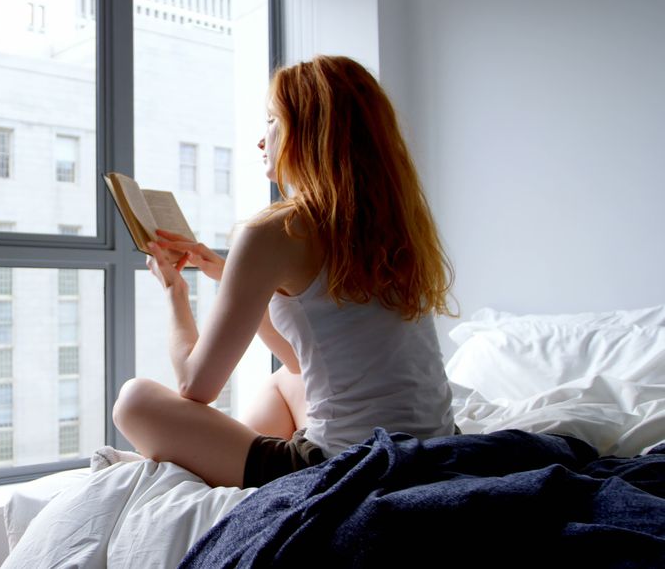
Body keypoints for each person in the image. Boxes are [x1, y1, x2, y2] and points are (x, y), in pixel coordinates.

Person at [112, 55, 457, 489]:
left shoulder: (277, 230)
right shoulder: (395, 223)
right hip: (435, 446)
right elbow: (300, 361)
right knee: (280, 382)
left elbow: (195, 386)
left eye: (273, 120)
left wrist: (174, 292)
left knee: (133, 400)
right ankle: (214, 459)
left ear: (310, 133)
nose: (262, 140)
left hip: (349, 466)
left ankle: (206, 465)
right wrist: (235, 279)